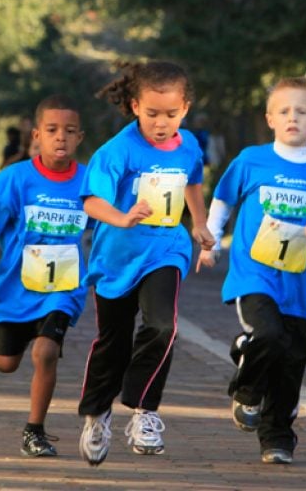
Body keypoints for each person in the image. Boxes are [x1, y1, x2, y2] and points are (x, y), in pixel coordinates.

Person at [196, 75, 306, 465]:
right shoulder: (251, 159)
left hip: (297, 283)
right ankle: (247, 393)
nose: (292, 118)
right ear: (269, 119)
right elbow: (223, 199)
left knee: (291, 359)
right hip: (254, 274)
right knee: (269, 334)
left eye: (302, 111)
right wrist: (210, 241)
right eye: (284, 111)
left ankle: (277, 437)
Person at [77, 60, 214, 466]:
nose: (161, 123)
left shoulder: (188, 144)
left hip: (165, 250)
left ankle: (143, 410)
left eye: (170, 115)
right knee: (112, 343)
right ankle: (97, 414)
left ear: (185, 109)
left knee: (161, 326)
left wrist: (200, 224)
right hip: (117, 258)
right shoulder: (117, 150)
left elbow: (192, 181)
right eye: (152, 113)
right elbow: (92, 199)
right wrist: (120, 217)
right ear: (135, 106)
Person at [0, 95, 90, 458]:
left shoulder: (88, 182)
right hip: (15, 288)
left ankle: (35, 430)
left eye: (68, 131)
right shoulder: (15, 179)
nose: (60, 138)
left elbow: (107, 226)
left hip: (63, 287)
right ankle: (11, 340)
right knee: (5, 365)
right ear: (37, 135)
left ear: (80, 137)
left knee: (46, 352)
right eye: (51, 130)